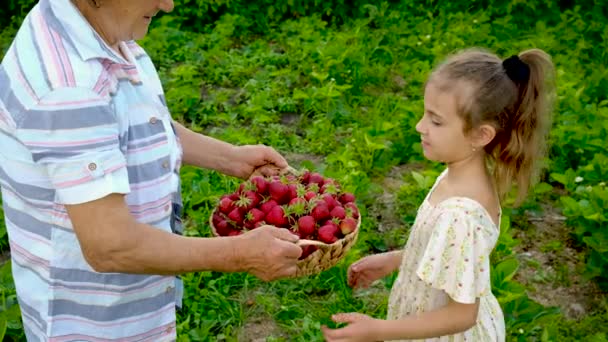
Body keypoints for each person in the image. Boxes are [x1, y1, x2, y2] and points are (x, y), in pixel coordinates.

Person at [0, 0, 303, 340]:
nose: (168, 5)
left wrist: (231, 159)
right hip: (94, 326)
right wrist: (238, 254)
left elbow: (138, 120)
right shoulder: (68, 86)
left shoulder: (99, 31)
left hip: (132, 305)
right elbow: (110, 245)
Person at [322, 48, 555, 341]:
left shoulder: (459, 214)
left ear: (480, 135)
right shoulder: (461, 174)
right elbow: (453, 257)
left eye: (436, 120)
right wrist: (397, 260)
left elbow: (462, 314)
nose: (420, 126)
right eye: (425, 114)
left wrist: (379, 330)